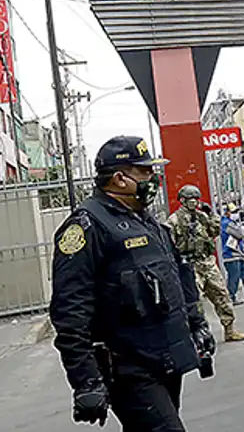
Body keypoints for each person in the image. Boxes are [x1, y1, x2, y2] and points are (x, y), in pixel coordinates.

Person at [49, 136, 215, 431]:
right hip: (127, 367)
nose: (153, 177)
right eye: (144, 172)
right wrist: (86, 380)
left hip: (162, 358)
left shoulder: (145, 220)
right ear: (119, 178)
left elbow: (178, 274)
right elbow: (69, 310)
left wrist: (196, 322)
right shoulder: (88, 227)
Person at [166, 185, 244, 343]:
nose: (194, 202)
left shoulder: (201, 217)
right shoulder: (174, 220)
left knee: (221, 295)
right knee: (194, 302)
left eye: (196, 199)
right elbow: (169, 244)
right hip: (189, 265)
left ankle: (230, 330)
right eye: (190, 199)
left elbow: (214, 231)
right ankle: (198, 336)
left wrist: (211, 214)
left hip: (206, 261)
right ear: (182, 200)